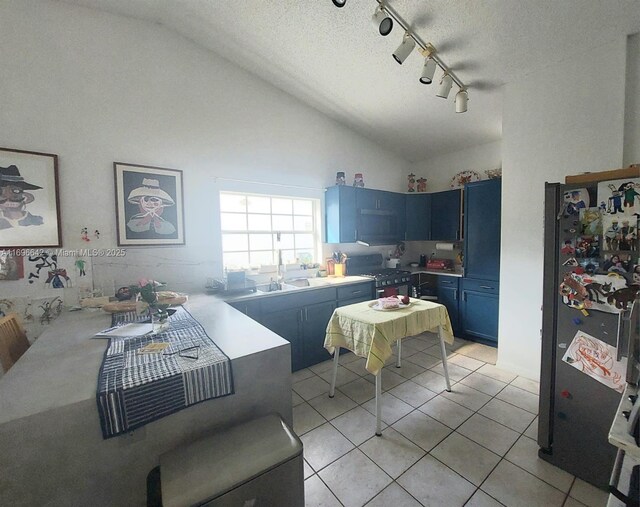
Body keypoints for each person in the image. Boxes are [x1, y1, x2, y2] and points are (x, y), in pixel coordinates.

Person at [0, 165, 43, 229]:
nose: (9, 199)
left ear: (24, 196)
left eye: (15, 191)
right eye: (2, 193)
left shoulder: (36, 221)